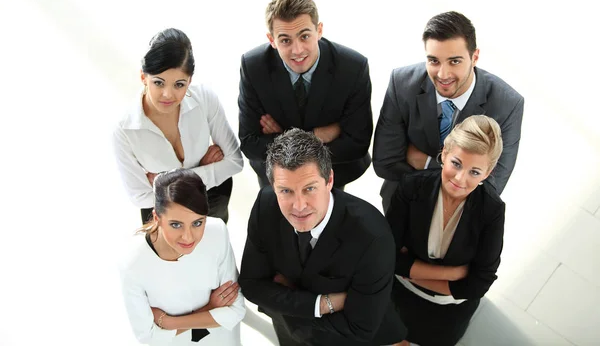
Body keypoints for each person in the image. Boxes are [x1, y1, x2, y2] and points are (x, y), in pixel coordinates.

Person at [238, 128, 407, 346]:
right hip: (295, 332)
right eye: (286, 191)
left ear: (329, 180)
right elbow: (252, 285)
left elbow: (360, 328)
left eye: (309, 189)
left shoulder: (373, 236)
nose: (299, 206)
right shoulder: (266, 204)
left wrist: (285, 300)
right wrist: (321, 304)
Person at [373, 11, 524, 212]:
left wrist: (426, 162)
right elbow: (385, 162)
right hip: (402, 203)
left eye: (454, 61)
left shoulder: (507, 104)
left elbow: (490, 187)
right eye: (434, 61)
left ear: (475, 57)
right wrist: (464, 174)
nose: (443, 75)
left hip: (461, 214)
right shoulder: (402, 83)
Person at [386, 115, 505, 346]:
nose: (460, 179)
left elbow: (479, 284)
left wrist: (410, 270)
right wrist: (454, 274)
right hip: (398, 296)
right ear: (444, 153)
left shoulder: (492, 210)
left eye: (475, 172)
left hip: (448, 313)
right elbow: (386, 257)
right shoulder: (411, 186)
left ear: (488, 173)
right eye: (456, 164)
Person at [238, 0, 373, 189]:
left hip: (334, 172)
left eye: (304, 36)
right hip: (276, 178)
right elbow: (250, 143)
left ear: (319, 30)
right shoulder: (253, 66)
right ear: (271, 40)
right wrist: (316, 136)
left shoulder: (352, 67)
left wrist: (281, 136)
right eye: (285, 40)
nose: (297, 50)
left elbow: (357, 143)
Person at [113, 28, 243, 223]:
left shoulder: (205, 99)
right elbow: (139, 196)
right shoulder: (125, 130)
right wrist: (203, 170)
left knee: (216, 250)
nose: (168, 94)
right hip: (162, 218)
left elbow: (235, 162)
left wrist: (164, 184)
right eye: (158, 83)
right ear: (143, 78)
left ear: (190, 81)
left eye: (179, 84)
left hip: (212, 203)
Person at [119, 168, 245, 345]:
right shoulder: (133, 262)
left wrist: (169, 322)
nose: (188, 237)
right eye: (176, 224)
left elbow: (236, 310)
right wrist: (211, 309)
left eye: (197, 223)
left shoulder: (217, 232)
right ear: (157, 217)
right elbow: (148, 336)